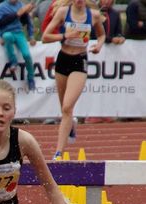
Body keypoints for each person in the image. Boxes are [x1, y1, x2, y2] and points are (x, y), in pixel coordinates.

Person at [42, 0, 105, 160]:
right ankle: (71, 124)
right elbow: (45, 37)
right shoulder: (63, 12)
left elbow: (102, 34)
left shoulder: (94, 15)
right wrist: (65, 35)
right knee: (64, 108)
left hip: (80, 61)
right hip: (63, 60)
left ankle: (58, 153)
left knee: (67, 107)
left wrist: (99, 45)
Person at [85, 0, 125, 124]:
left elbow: (119, 31)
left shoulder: (115, 14)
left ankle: (106, 112)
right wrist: (110, 39)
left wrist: (120, 37)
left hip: (110, 56)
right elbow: (92, 34)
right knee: (92, 85)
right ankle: (90, 113)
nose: (107, 1)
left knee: (108, 86)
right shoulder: (93, 13)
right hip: (94, 53)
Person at [0, 0, 37, 90]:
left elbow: (29, 21)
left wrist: (31, 36)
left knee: (26, 54)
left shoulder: (21, 5)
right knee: (7, 36)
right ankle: (13, 61)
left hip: (19, 33)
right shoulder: (2, 7)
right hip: (6, 32)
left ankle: (31, 78)